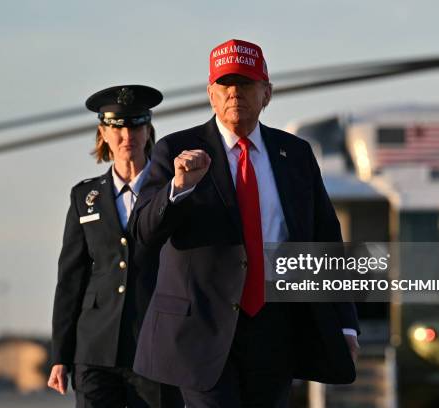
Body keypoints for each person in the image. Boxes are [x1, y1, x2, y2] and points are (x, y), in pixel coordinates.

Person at [129, 39, 360, 407]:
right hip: (201, 329)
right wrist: (178, 188)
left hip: (276, 326)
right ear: (210, 94)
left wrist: (345, 321)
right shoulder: (174, 150)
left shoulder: (296, 154)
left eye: (246, 83)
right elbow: (142, 232)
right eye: (225, 84)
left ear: (266, 93)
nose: (234, 92)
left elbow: (325, 241)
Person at [48, 85, 183, 408]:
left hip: (156, 344)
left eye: (136, 125)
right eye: (117, 128)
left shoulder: (173, 191)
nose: (127, 137)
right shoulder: (85, 197)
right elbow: (71, 280)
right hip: (95, 348)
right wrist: (60, 355)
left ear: (148, 130)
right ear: (103, 133)